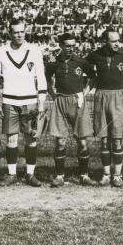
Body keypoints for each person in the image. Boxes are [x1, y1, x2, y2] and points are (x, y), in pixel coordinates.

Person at [0, 19, 47, 187]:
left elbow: (41, 78)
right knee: (11, 139)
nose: (19, 35)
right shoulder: (1, 52)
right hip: (9, 101)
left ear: (25, 31)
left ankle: (30, 174)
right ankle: (12, 174)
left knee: (31, 139)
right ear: (9, 33)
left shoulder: (34, 50)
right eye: (15, 32)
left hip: (30, 102)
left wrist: (41, 102)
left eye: (22, 31)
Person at [45, 33, 95, 187]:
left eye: (74, 45)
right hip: (60, 100)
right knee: (60, 141)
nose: (71, 49)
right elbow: (46, 79)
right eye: (67, 46)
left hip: (78, 101)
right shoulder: (54, 62)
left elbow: (93, 78)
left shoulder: (81, 61)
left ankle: (84, 175)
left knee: (83, 141)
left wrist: (84, 94)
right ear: (61, 46)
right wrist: (54, 96)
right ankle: (60, 176)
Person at [87, 30, 123, 187]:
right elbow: (84, 67)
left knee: (117, 139)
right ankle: (106, 174)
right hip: (101, 95)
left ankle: (117, 175)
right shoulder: (95, 55)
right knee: (104, 139)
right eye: (113, 41)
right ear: (105, 41)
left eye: (118, 40)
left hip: (119, 95)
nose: (117, 43)